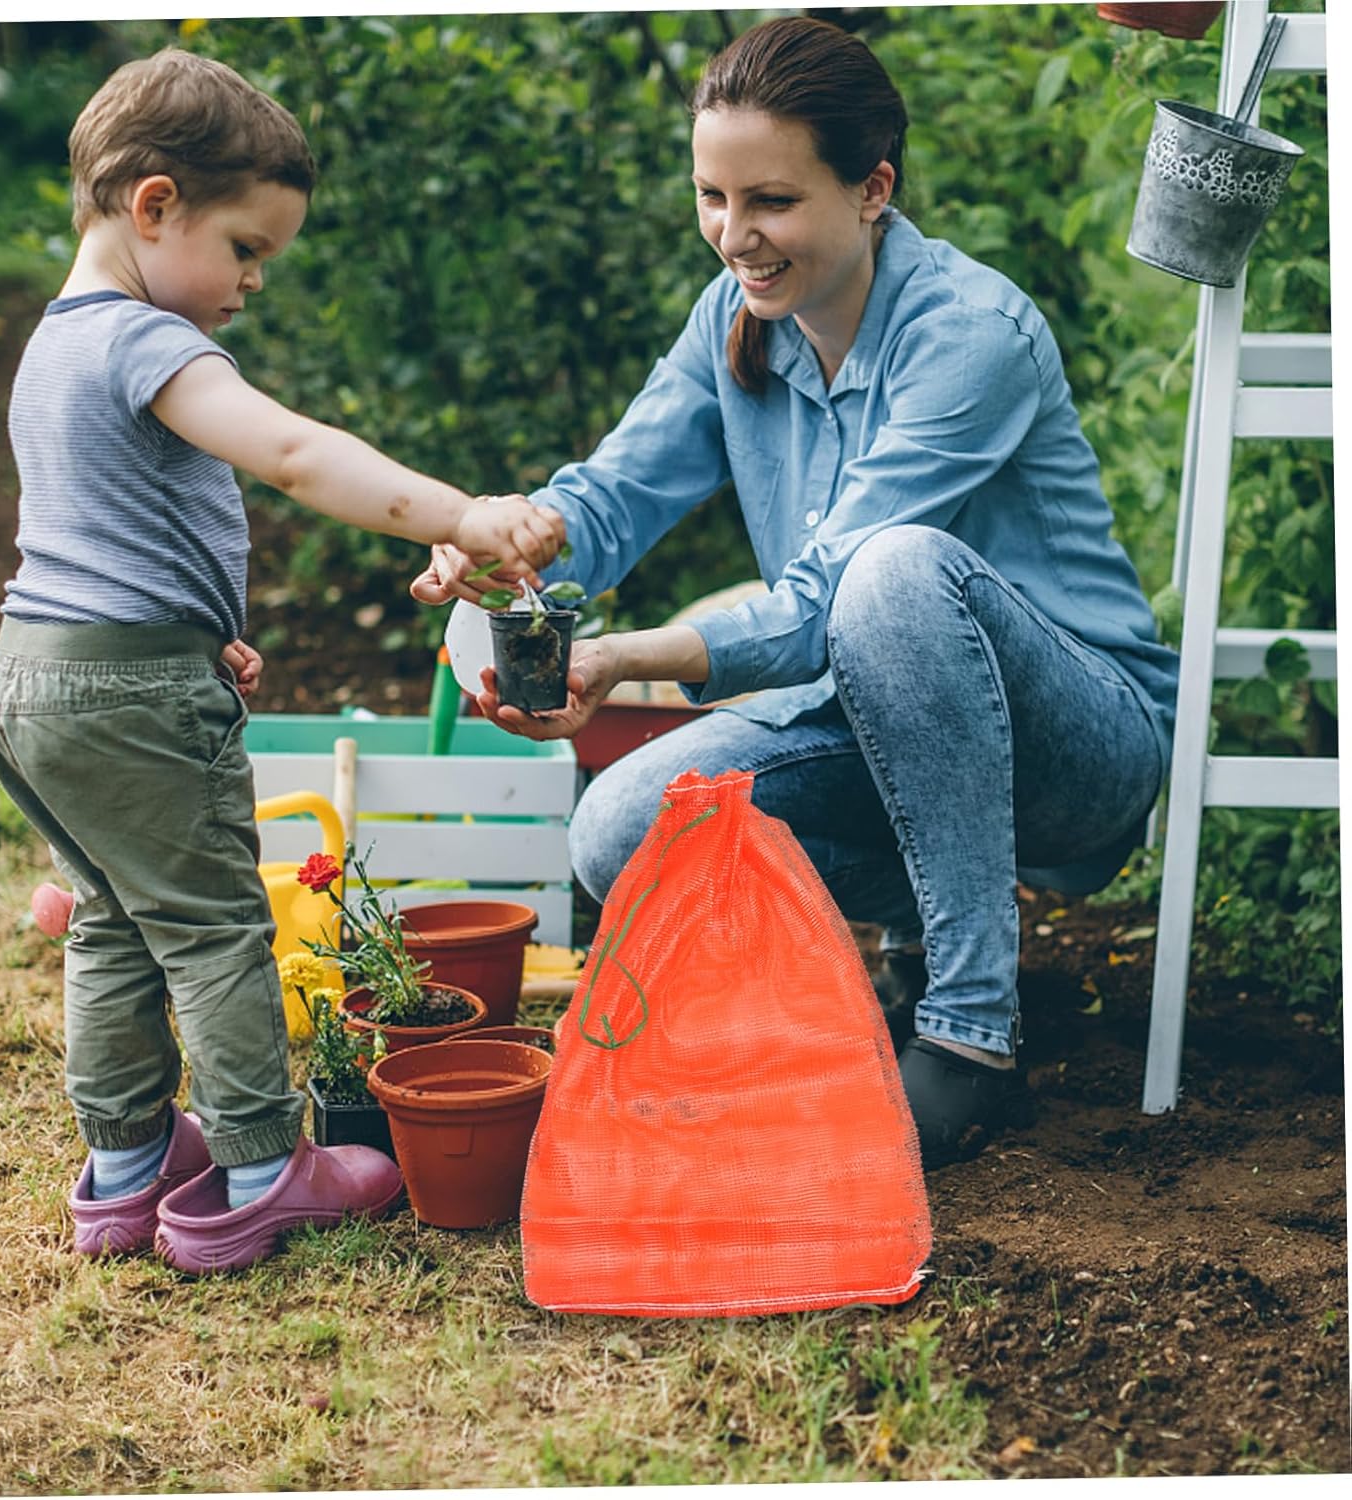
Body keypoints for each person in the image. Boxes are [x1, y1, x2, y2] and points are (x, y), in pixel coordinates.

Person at [413, 16, 1177, 1169]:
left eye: (770, 200)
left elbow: (830, 602)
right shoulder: (736, 322)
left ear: (873, 189)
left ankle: (970, 1033)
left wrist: (626, 658)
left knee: (893, 571)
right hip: (877, 725)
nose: (735, 236)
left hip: (1078, 748)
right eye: (712, 198)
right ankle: (926, 931)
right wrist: (508, 544)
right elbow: (615, 496)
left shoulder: (969, 334)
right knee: (621, 831)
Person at [0, 48, 565, 1272]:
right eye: (245, 248)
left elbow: (103, 535)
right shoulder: (146, 342)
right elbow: (296, 455)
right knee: (214, 932)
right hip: (129, 691)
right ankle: (259, 1170)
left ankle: (127, 1169)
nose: (252, 281)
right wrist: (460, 513)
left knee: (113, 924)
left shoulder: (52, 346)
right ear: (154, 205)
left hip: (32, 679)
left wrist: (195, 630)